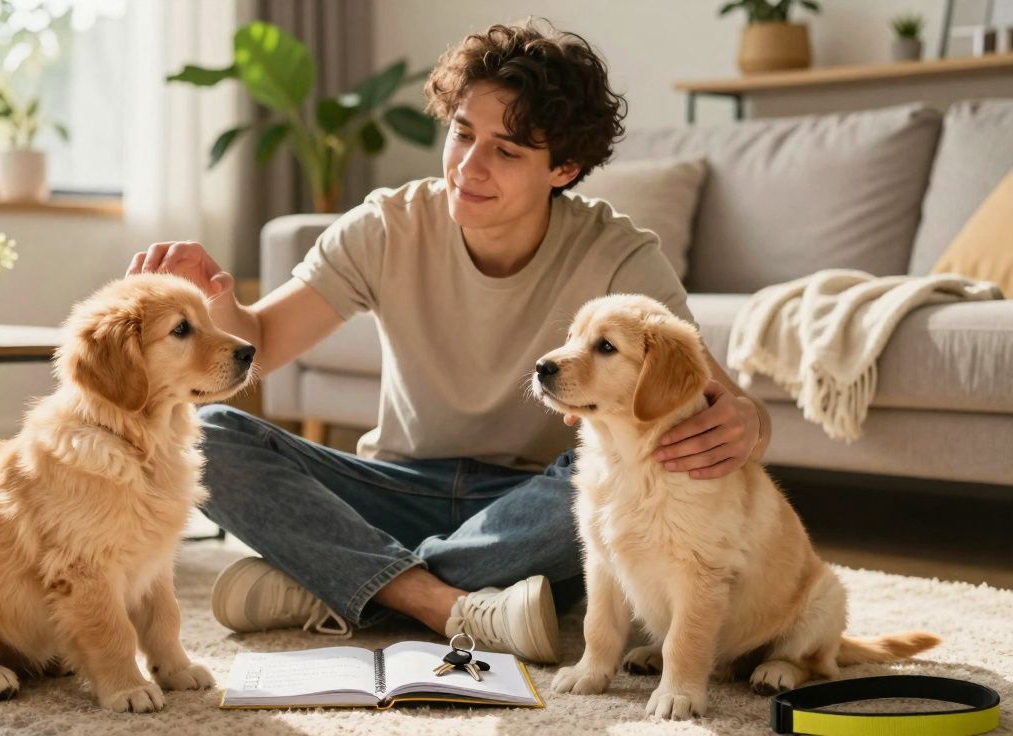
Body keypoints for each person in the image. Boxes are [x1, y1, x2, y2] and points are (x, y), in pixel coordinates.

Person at [126, 21, 769, 664]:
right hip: (394, 488)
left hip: (530, 507)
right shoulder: (386, 225)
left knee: (608, 479)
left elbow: (717, 403)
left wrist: (749, 421)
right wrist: (217, 300)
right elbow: (260, 342)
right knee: (213, 432)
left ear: (564, 168)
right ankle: (445, 603)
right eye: (462, 133)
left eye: (507, 151)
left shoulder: (621, 255)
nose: (469, 166)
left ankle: (341, 579)